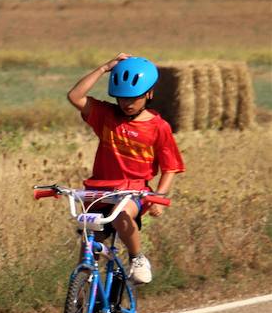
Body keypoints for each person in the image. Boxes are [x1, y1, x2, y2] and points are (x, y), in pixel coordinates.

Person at [65, 54, 184, 284]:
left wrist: (158, 197)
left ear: (149, 94)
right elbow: (75, 96)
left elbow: (170, 167)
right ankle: (79, 305)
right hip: (98, 191)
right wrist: (104, 68)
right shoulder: (106, 116)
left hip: (133, 192)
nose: (126, 103)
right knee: (89, 245)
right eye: (121, 98)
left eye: (134, 98)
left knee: (121, 215)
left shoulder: (158, 127)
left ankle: (137, 258)